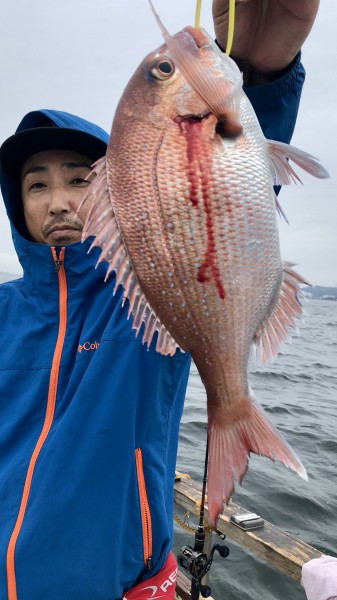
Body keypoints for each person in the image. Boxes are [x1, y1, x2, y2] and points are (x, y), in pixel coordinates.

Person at [0, 1, 321, 599]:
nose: (61, 200)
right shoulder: (2, 311)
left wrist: (262, 68)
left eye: (80, 177)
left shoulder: (139, 289)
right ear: (15, 203)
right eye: (36, 184)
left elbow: (221, 198)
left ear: (116, 185)